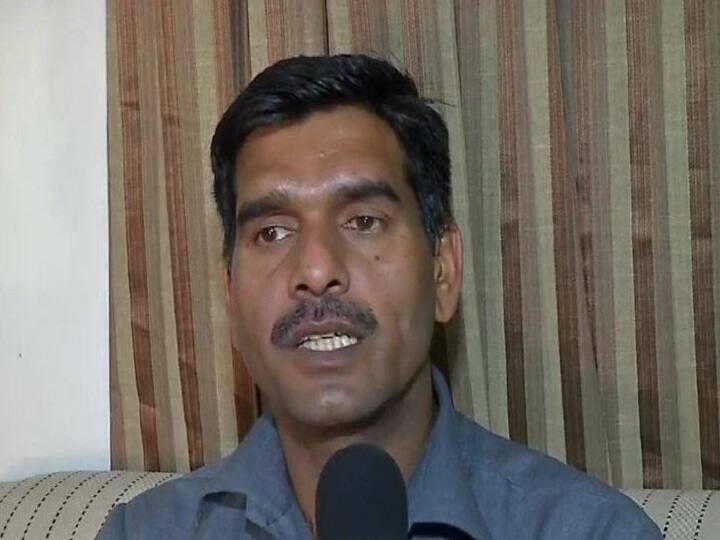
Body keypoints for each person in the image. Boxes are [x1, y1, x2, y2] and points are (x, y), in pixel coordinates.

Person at [97, 54, 661, 539]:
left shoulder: (588, 529)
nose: (316, 269)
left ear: (443, 271)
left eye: (363, 221)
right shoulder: (144, 532)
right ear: (231, 297)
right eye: (272, 232)